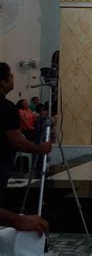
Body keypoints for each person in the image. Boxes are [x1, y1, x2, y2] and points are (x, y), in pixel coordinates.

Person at [0, 63, 52, 206]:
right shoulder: (6, 107)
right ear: (3, 82)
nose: (13, 79)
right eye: (10, 76)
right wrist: (40, 149)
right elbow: (16, 141)